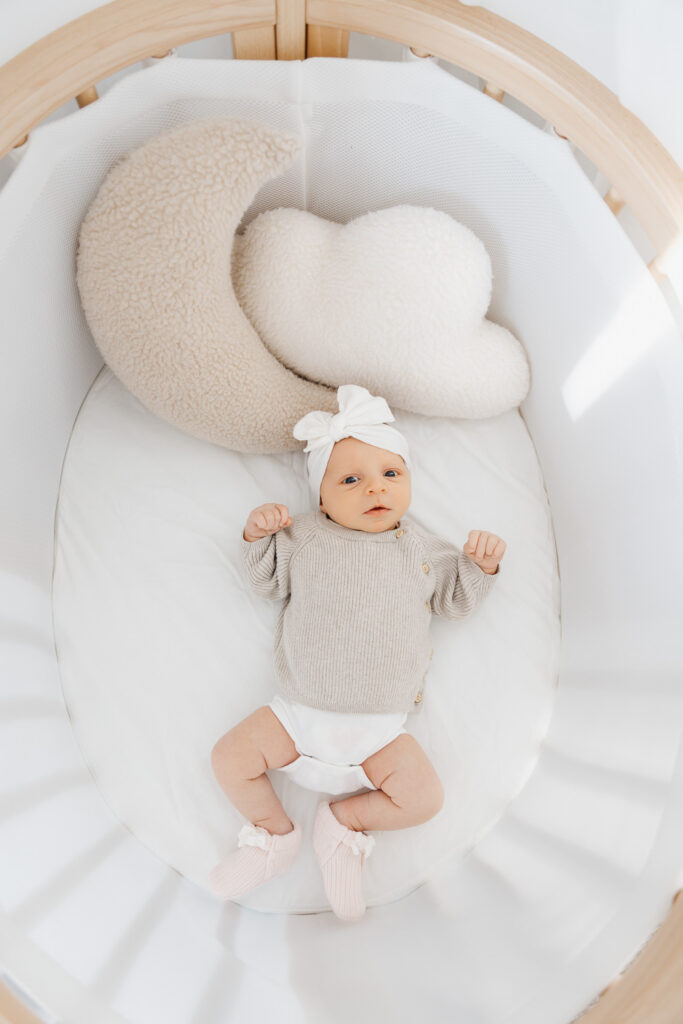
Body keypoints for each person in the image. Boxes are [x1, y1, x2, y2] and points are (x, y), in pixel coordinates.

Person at [209, 384, 506, 920]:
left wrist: (478, 569)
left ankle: (345, 822)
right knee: (229, 758)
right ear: (321, 498)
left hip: (381, 735)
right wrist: (258, 536)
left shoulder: (418, 547)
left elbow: (454, 602)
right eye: (351, 479)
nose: (375, 488)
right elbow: (265, 581)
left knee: (425, 799)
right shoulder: (304, 538)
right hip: (297, 716)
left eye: (391, 474)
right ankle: (274, 836)